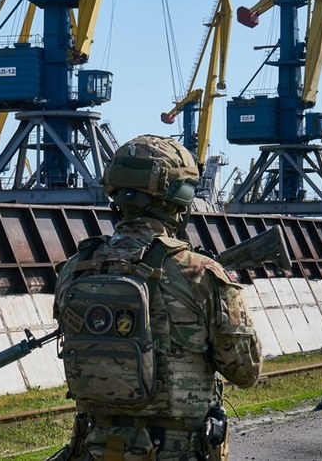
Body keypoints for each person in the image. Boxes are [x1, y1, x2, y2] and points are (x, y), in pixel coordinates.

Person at [49, 135, 261, 461]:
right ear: (178, 198)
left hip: (95, 448)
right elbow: (245, 372)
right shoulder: (202, 274)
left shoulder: (76, 269)